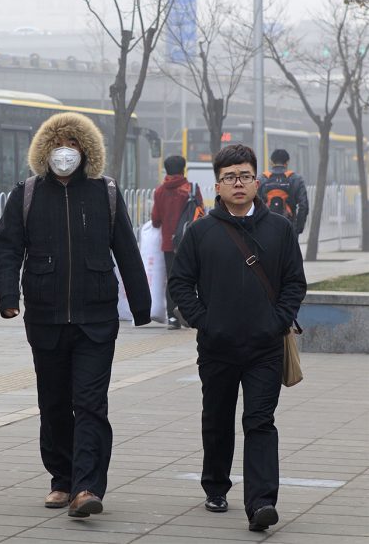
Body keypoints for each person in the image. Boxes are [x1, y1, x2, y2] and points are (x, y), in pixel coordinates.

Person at [0, 112, 151, 518]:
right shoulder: (26, 194)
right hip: (44, 319)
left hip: (96, 319)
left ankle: (87, 487)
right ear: (45, 150)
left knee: (91, 403)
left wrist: (141, 305)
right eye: (59, 143)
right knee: (54, 403)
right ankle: (61, 479)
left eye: (74, 144)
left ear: (87, 151)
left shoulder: (105, 193)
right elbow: (7, 247)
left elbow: (127, 251)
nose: (66, 152)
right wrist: (8, 296)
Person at [168, 143, 306, 533]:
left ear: (257, 181)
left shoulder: (279, 229)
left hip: (265, 347)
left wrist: (279, 321)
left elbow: (295, 282)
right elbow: (180, 283)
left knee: (260, 421)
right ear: (218, 185)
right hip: (217, 346)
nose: (238, 183)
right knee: (217, 418)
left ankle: (262, 502)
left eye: (245, 175)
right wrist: (203, 322)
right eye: (230, 177)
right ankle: (215, 484)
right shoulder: (200, 232)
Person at [150, 154, 203, 329]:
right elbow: (200, 215)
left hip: (168, 244)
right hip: (190, 242)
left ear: (166, 170)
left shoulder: (159, 191)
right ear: (183, 169)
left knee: (172, 278)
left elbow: (155, 219)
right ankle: (189, 314)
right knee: (191, 278)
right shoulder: (192, 189)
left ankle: (172, 317)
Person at [258, 148, 309, 237]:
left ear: (271, 162)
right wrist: (298, 228)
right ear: (287, 162)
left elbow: (252, 203)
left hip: (266, 227)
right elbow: (303, 205)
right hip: (289, 227)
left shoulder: (262, 178)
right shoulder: (296, 179)